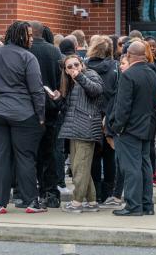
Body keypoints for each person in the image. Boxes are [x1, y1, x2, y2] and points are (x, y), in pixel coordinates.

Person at [0, 21, 46, 214]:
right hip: (23, 113)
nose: (31, 39)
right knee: (25, 157)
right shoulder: (28, 57)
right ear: (20, 36)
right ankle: (31, 201)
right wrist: (40, 115)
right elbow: (37, 90)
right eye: (29, 35)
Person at [108, 40, 156, 217]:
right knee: (145, 165)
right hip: (148, 126)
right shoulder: (153, 73)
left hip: (130, 128)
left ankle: (133, 205)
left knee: (131, 167)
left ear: (129, 55)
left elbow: (122, 107)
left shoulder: (128, 76)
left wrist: (117, 127)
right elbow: (154, 102)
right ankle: (147, 204)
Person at [57, 54, 104, 212]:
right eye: (69, 67)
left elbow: (96, 90)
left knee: (80, 168)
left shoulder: (90, 74)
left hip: (87, 128)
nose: (73, 68)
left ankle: (77, 202)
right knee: (80, 167)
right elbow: (69, 108)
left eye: (76, 64)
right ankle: (91, 202)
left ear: (82, 64)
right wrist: (58, 98)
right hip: (74, 129)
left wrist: (80, 77)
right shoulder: (70, 82)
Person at [27, 20, 63, 208]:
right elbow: (59, 79)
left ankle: (32, 191)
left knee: (30, 153)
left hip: (30, 108)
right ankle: (51, 192)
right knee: (49, 151)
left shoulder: (26, 51)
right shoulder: (54, 51)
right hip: (50, 107)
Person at [86, 35, 119, 207]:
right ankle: (108, 193)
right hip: (110, 115)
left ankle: (95, 193)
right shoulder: (116, 67)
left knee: (93, 157)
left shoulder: (83, 67)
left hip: (90, 116)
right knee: (110, 156)